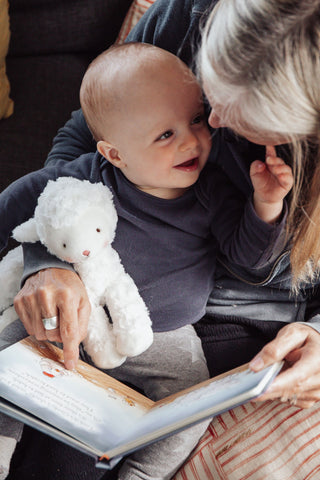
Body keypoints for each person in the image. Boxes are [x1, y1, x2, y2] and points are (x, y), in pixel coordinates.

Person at [2, 0, 320, 478]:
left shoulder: (215, 196)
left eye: (236, 112)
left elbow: (250, 256)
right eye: (209, 93)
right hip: (93, 290)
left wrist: (266, 210)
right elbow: (85, 136)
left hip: (211, 323)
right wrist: (50, 254)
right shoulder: (192, 15)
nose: (211, 124)